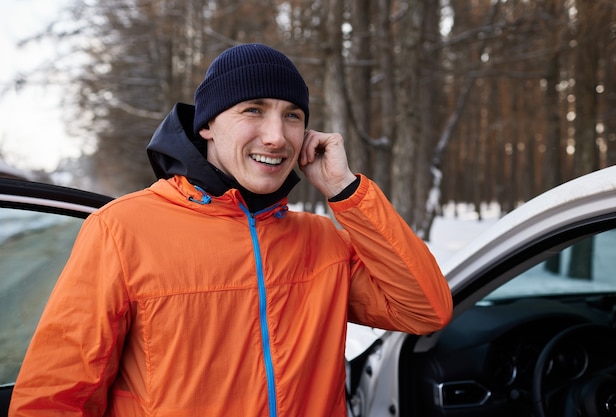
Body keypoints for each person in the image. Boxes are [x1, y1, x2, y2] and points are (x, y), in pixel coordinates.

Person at [9, 43, 452, 416]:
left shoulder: (322, 241)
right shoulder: (123, 230)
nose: (276, 136)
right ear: (207, 126)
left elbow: (424, 309)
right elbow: (54, 397)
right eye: (253, 111)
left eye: (292, 115)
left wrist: (346, 190)